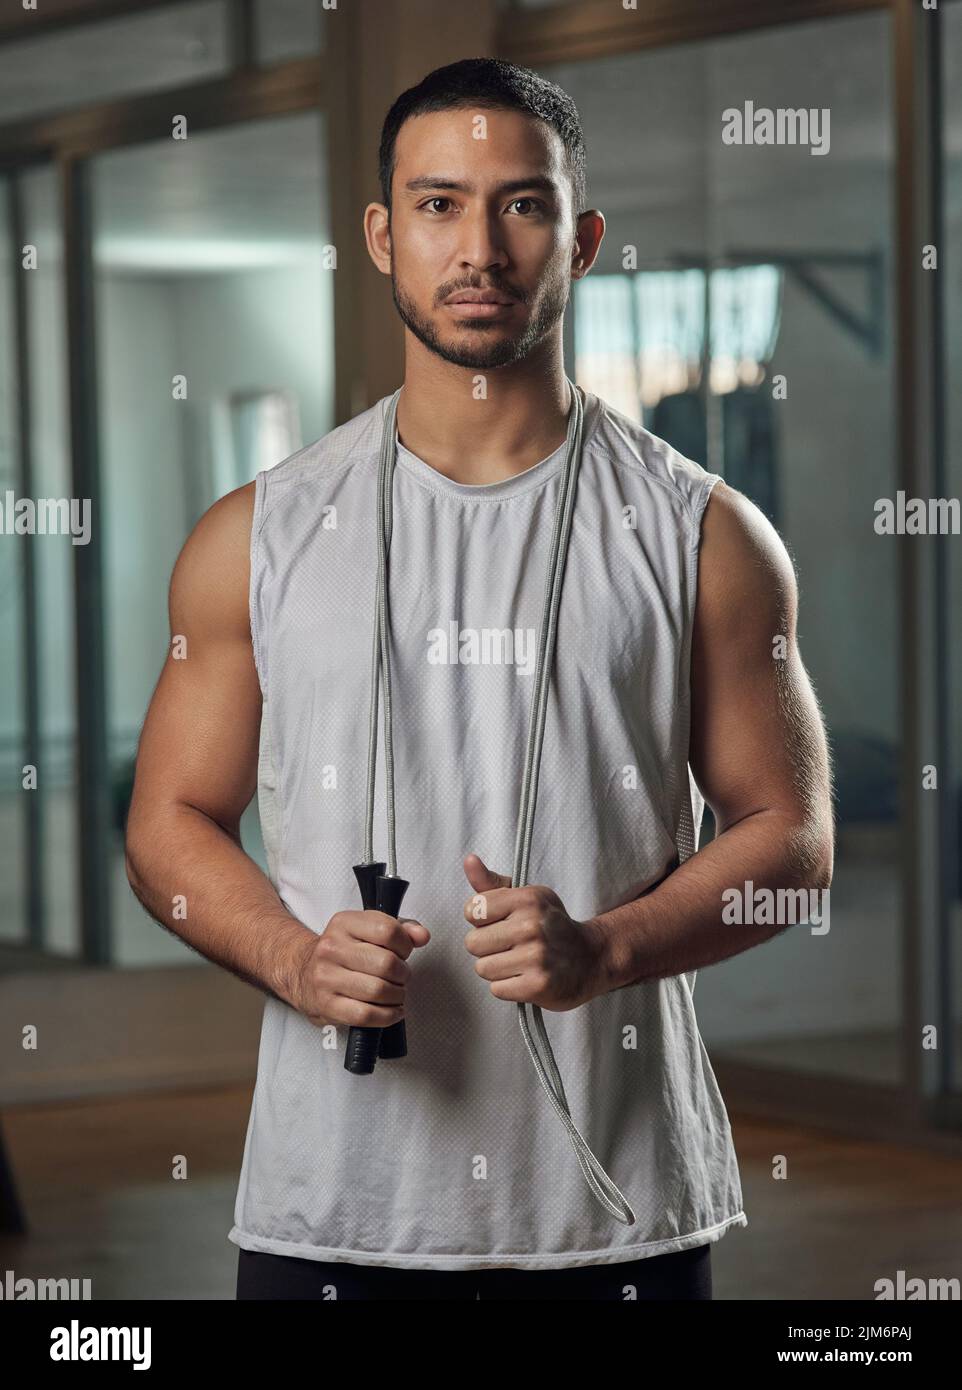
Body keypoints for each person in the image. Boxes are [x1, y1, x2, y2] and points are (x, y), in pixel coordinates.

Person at [125, 57, 834, 1301]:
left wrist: (603, 949)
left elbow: (793, 839)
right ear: (381, 234)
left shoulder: (702, 533)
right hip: (331, 1214)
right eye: (440, 203)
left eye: (522, 204)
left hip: (615, 1214)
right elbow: (167, 823)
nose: (480, 249)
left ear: (583, 237)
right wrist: (296, 962)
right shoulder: (260, 533)